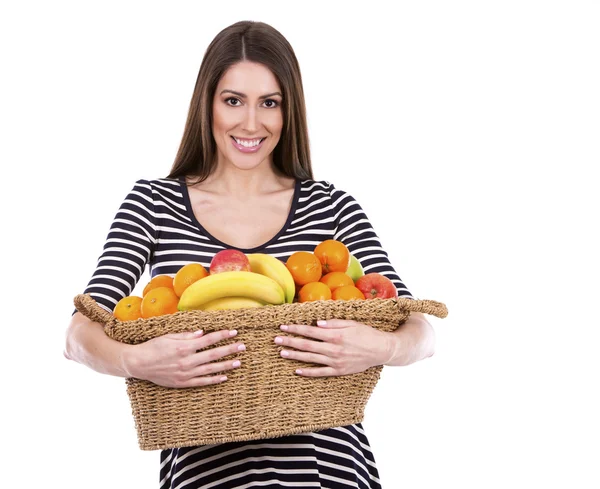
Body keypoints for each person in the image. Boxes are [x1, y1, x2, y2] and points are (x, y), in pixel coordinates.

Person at [64, 20, 436, 489]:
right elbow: (78, 333)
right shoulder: (152, 205)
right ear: (208, 104)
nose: (251, 123)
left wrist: (381, 347)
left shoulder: (332, 207)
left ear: (288, 111)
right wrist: (136, 362)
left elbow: (417, 327)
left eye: (270, 103)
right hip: (206, 472)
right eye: (233, 100)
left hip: (329, 470)